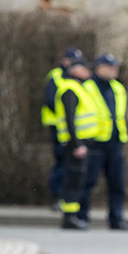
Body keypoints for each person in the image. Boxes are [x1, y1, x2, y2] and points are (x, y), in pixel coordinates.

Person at [80, 53, 128, 230]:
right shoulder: (87, 87)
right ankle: (81, 216)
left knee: (117, 184)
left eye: (115, 66)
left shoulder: (118, 88)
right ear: (99, 68)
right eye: (110, 67)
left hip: (115, 143)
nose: (114, 70)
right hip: (94, 142)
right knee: (88, 182)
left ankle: (116, 219)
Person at [54, 56, 98, 230]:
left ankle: (72, 217)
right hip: (74, 145)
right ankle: (69, 218)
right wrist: (77, 144)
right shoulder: (70, 89)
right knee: (72, 181)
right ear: (74, 70)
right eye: (85, 68)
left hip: (80, 144)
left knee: (77, 180)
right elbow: (69, 120)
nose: (89, 71)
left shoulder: (79, 88)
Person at [43, 47, 83, 210]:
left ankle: (63, 198)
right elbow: (51, 100)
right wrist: (62, 115)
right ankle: (57, 197)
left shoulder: (72, 78)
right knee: (61, 161)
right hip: (56, 125)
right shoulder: (55, 75)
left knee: (67, 165)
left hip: (65, 127)